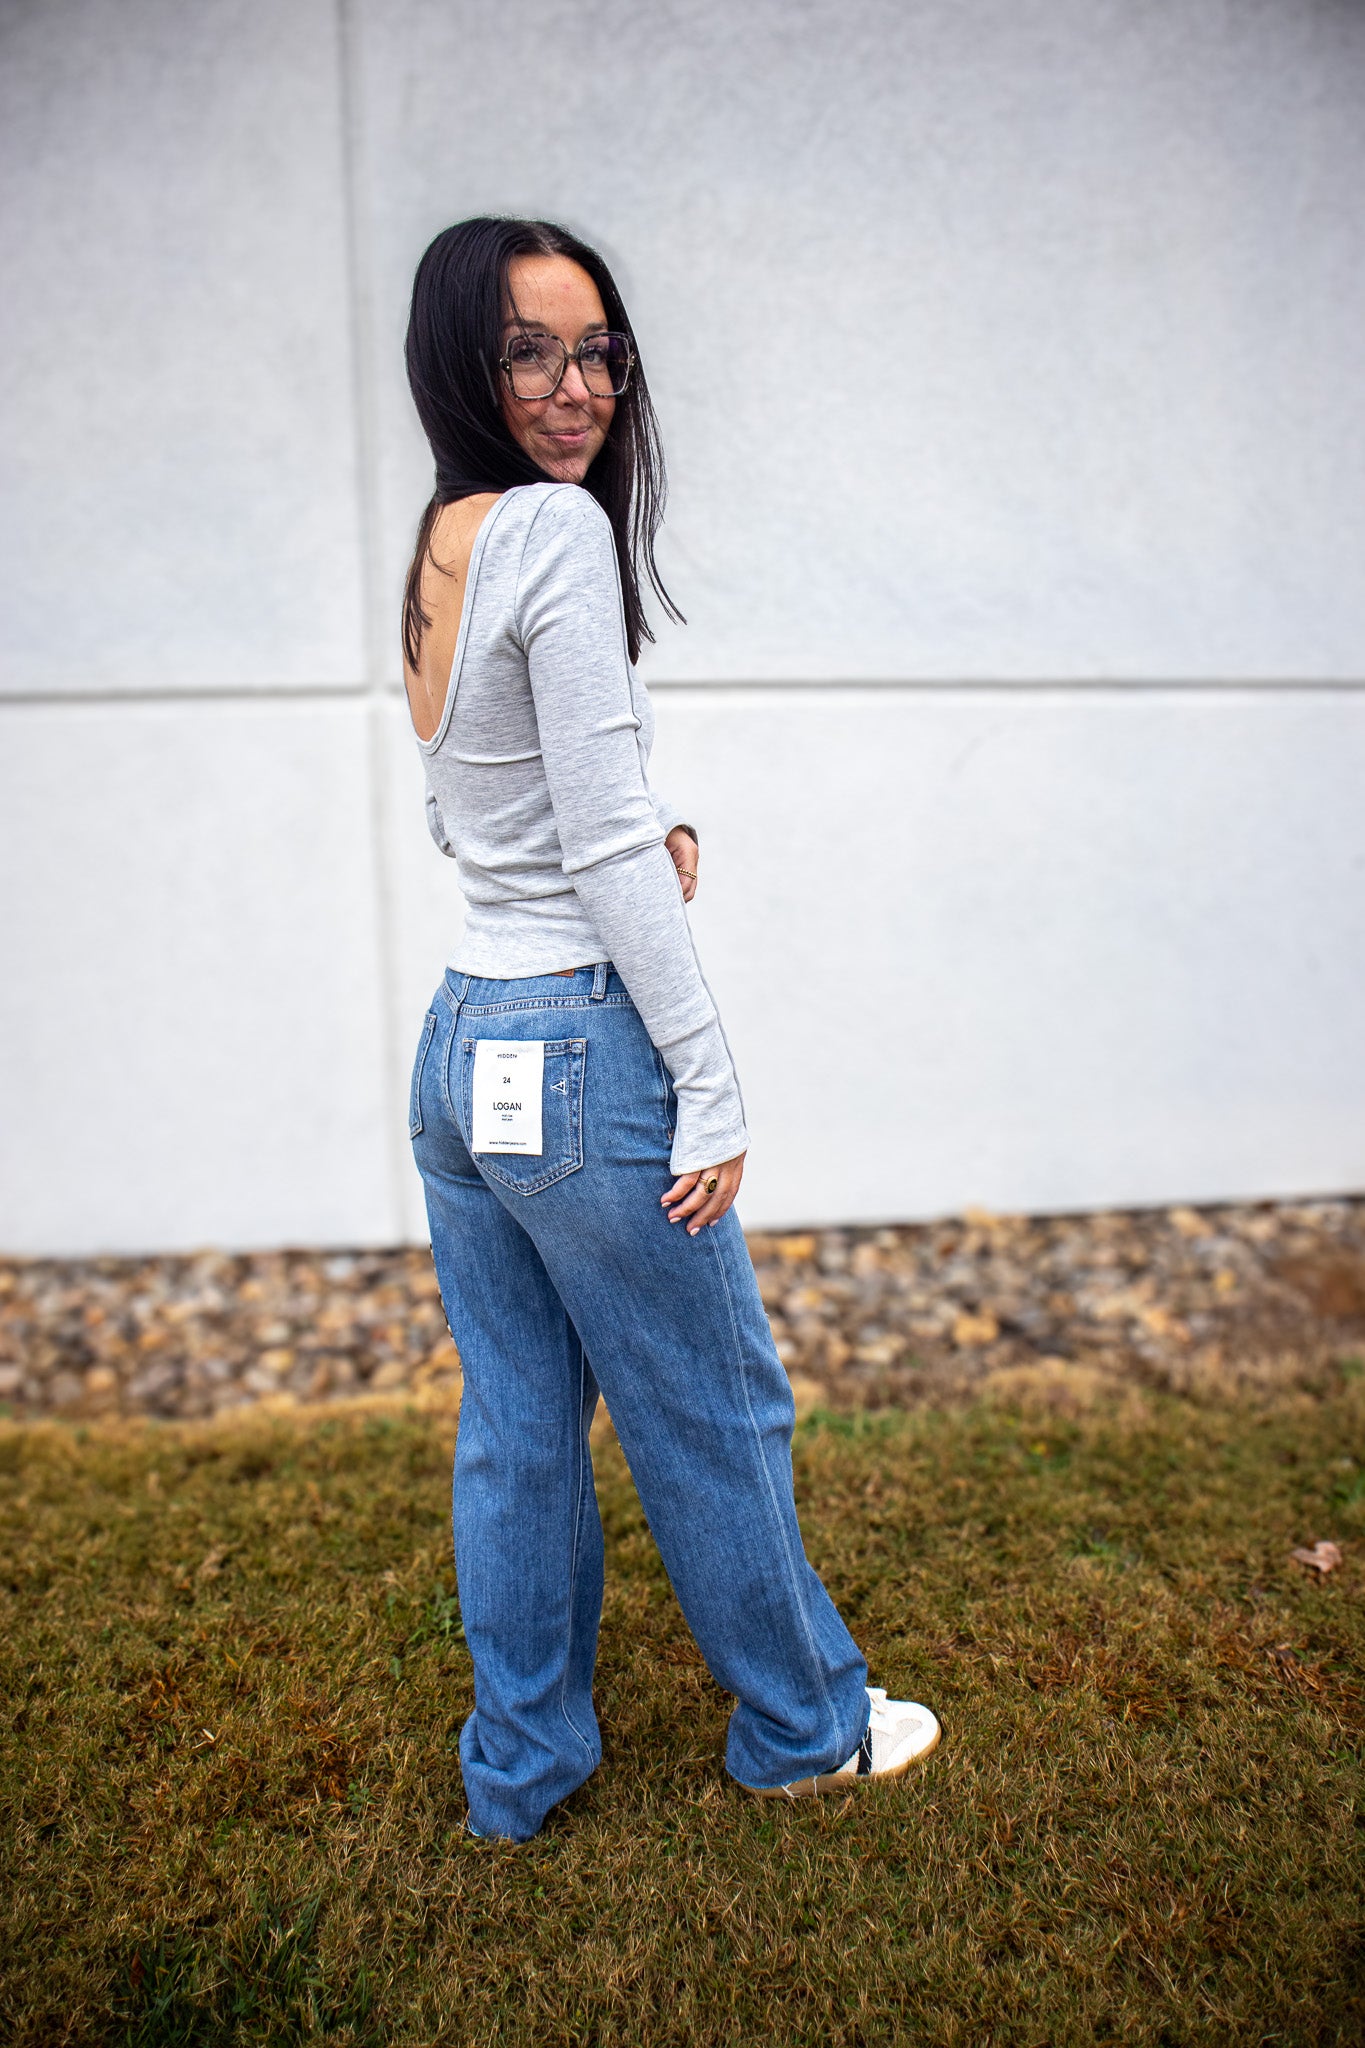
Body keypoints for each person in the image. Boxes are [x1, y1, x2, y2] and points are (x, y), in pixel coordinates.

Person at [401, 216, 940, 1842]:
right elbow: (595, 847)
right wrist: (705, 1082)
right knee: (712, 1401)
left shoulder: (446, 535)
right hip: (579, 1053)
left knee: (515, 1426)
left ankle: (522, 1768)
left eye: (598, 351)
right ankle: (801, 1727)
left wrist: (639, 830)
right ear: (463, 360)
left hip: (463, 1044)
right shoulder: (555, 533)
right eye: (529, 351)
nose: (576, 389)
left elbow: (482, 818)